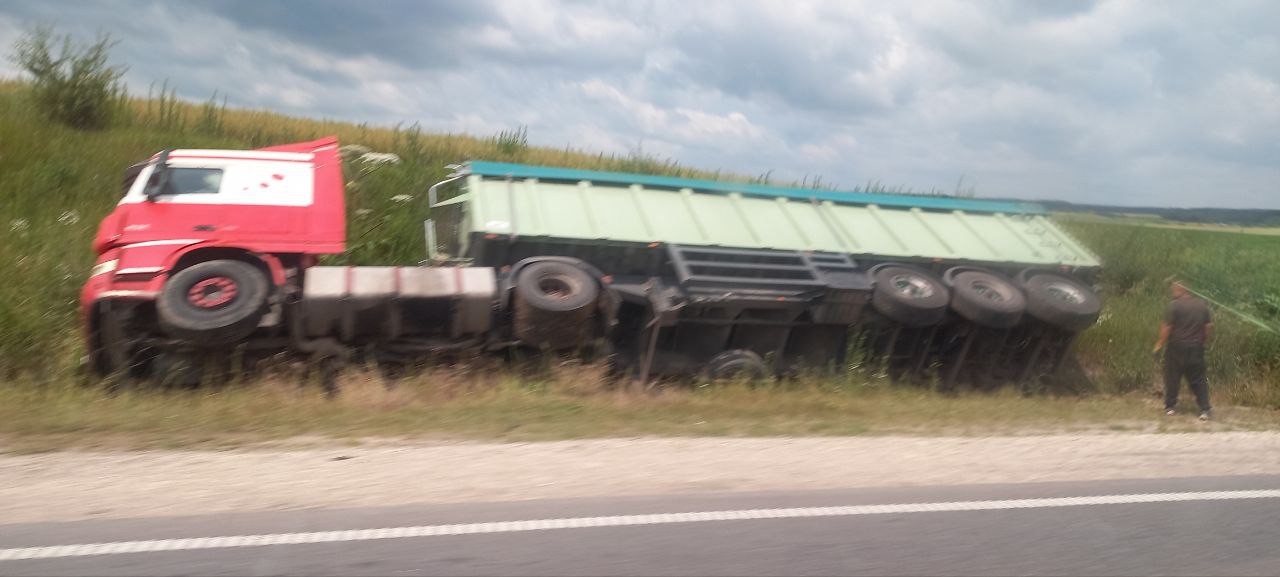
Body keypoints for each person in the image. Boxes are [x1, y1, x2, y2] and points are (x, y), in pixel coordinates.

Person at [1152, 281, 1214, 420]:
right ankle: (1205, 409)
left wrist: (1158, 345)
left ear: (1179, 290)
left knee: (1172, 377)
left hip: (1176, 347)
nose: (1172, 293)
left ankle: (1170, 407)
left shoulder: (1173, 306)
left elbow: (1166, 327)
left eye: (1173, 290)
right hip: (1196, 347)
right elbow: (1208, 326)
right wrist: (1203, 340)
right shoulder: (1201, 305)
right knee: (1198, 379)